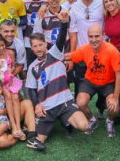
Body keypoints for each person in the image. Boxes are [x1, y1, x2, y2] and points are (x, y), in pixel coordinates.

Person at [25, 10, 92, 150]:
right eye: (35, 46)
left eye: (40, 45)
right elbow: (30, 90)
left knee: (84, 126)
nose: (38, 48)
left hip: (65, 102)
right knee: (38, 140)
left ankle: (65, 121)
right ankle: (60, 122)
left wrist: (63, 23)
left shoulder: (55, 54)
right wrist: (37, 105)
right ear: (31, 48)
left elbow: (61, 39)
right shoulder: (32, 67)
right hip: (47, 108)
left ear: (45, 44)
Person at [68, 24, 120, 137]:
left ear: (103, 35)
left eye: (97, 36)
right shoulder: (85, 48)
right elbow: (70, 56)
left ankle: (110, 120)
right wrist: (50, 56)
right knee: (80, 102)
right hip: (90, 81)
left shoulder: (112, 51)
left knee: (114, 107)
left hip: (108, 82)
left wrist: (115, 98)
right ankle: (92, 119)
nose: (93, 40)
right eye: (91, 36)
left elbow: (119, 75)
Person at [0, 33, 24, 139]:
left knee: (15, 97)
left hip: (10, 80)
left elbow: (13, 66)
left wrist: (10, 73)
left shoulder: (10, 52)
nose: (1, 48)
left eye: (3, 45)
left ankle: (18, 126)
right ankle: (13, 124)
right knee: (7, 94)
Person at [22, 0, 46, 66]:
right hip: (28, 42)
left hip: (43, 42)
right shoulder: (23, 1)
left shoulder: (48, 1)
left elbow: (60, 8)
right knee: (31, 68)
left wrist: (71, 0)